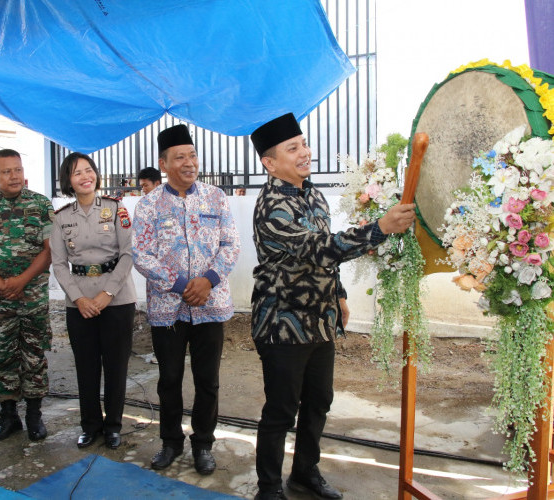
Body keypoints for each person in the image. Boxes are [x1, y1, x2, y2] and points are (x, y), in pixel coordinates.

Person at [249, 113, 416, 500]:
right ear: (270, 163)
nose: (305, 152)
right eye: (293, 148)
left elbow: (327, 258)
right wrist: (379, 228)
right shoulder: (271, 205)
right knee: (281, 409)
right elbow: (316, 247)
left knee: (319, 402)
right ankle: (269, 488)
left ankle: (305, 473)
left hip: (319, 321)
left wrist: (338, 295)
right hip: (283, 323)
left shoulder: (314, 194)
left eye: (304, 144)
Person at [133, 124, 241, 475]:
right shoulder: (148, 205)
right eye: (180, 157)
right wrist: (181, 284)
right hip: (168, 307)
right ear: (164, 164)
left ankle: (203, 444)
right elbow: (141, 254)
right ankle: (170, 441)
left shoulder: (216, 198)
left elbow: (230, 245)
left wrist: (207, 281)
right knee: (169, 379)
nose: (189, 162)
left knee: (208, 380)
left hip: (210, 305)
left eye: (192, 155)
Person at [0, 149, 54, 442]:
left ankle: (34, 416)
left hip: (33, 297)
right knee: (3, 355)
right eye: (6, 172)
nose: (13, 176)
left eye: (17, 169)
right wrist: (0, 283)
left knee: (34, 353)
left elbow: (50, 250)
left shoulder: (40, 204)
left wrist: (22, 280)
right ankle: (8, 416)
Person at [50, 153, 137, 450]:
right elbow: (59, 264)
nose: (85, 177)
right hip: (80, 303)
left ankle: (113, 425)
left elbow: (127, 255)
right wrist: (79, 298)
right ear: (69, 181)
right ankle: (89, 426)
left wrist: (106, 294)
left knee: (116, 366)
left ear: (96, 175)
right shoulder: (61, 218)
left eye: (89, 171)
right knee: (86, 367)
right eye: (77, 173)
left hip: (117, 299)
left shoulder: (116, 209)